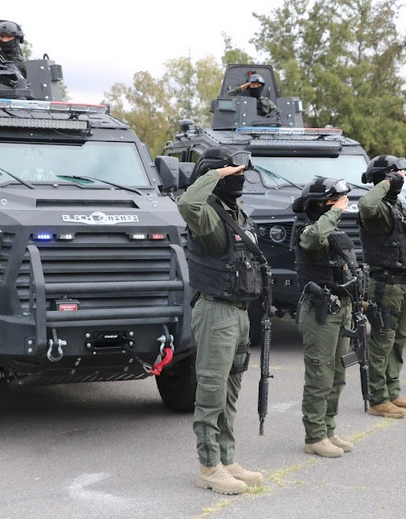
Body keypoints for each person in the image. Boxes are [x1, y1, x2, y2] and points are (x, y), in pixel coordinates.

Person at [176, 145, 265, 495]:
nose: (239, 177)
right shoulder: (208, 214)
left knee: (229, 392)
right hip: (216, 311)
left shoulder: (237, 213)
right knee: (212, 390)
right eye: (233, 172)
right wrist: (215, 174)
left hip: (240, 312)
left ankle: (227, 459)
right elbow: (187, 203)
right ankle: (209, 466)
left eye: (241, 172)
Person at [358, 155, 406, 418]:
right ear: (385, 177)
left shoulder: (398, 205)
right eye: (397, 173)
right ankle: (378, 399)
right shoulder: (376, 208)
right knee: (382, 341)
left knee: (398, 341)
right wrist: (385, 183)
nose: (402, 177)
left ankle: (392, 392)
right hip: (385, 284)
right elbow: (366, 204)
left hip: (405, 282)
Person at [292, 177, 361, 457]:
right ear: (319, 205)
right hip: (320, 310)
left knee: (338, 373)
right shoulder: (308, 231)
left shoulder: (334, 232)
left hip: (342, 307)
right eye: (334, 202)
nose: (341, 206)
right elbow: (314, 237)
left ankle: (328, 429)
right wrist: (334, 212)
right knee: (320, 374)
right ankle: (314, 436)